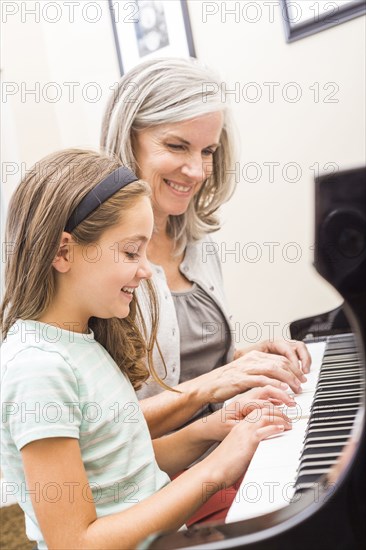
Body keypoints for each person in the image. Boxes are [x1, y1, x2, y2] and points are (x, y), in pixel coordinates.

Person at [0, 149, 293, 549]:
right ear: (63, 251)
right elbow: (76, 543)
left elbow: (126, 472)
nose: (145, 269)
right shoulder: (38, 368)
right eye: (130, 252)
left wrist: (213, 428)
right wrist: (217, 469)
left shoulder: (82, 342)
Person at [100, 57, 312, 437]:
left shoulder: (196, 243)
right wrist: (220, 381)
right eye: (177, 146)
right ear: (128, 138)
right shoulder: (97, 258)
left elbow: (192, 369)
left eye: (207, 151)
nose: (196, 170)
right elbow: (101, 429)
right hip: (163, 478)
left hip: (223, 445)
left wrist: (250, 360)